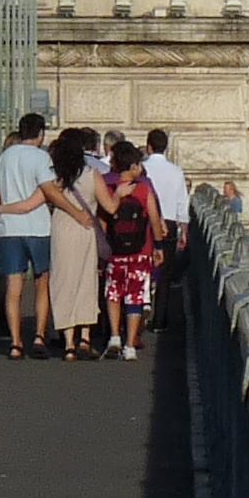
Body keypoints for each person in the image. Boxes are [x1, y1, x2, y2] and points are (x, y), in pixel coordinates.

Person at [0, 113, 56, 359]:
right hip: (37, 227)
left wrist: (1, 211)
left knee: (13, 287)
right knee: (41, 283)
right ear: (40, 134)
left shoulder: (4, 158)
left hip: (10, 229)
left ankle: (15, 342)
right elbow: (48, 190)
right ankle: (38, 335)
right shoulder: (42, 157)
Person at [98, 141, 165, 360]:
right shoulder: (144, 188)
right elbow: (154, 220)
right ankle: (130, 346)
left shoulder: (109, 188)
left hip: (115, 251)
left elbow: (103, 221)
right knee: (135, 296)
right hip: (140, 251)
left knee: (114, 293)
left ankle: (115, 336)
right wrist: (159, 246)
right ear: (133, 165)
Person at [42, 128, 102, 360]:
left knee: (63, 281)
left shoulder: (54, 177)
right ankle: (85, 338)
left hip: (61, 230)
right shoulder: (92, 174)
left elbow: (40, 198)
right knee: (86, 281)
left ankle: (68, 343)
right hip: (86, 229)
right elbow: (110, 205)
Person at [141, 129, 191, 330]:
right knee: (165, 275)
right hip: (168, 225)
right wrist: (184, 229)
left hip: (143, 222)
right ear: (166, 147)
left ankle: (137, 313)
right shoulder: (176, 171)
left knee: (142, 269)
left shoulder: (142, 168)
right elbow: (182, 203)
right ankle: (160, 320)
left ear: (148, 146)